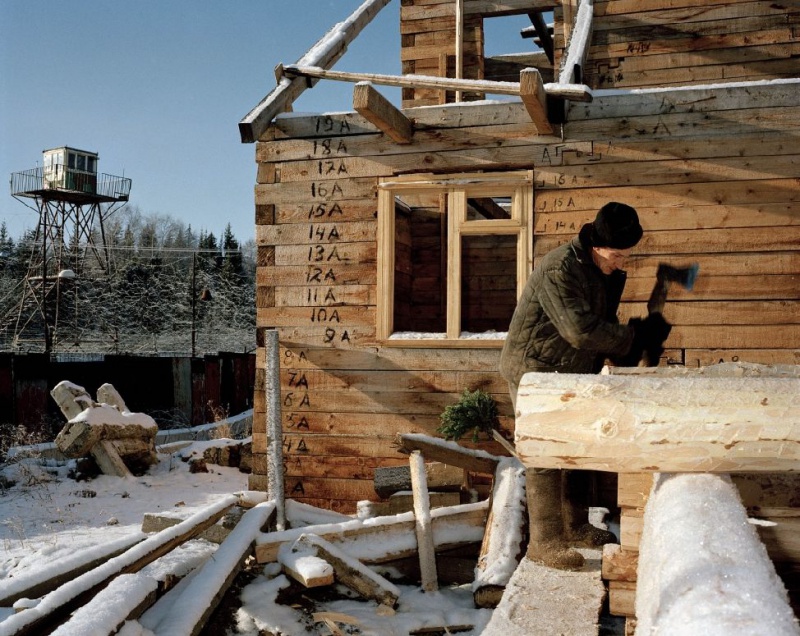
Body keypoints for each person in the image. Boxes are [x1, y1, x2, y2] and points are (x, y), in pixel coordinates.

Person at [499, 201, 670, 570]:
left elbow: (599, 325)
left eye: (625, 256)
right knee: (543, 453)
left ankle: (575, 527)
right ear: (596, 245)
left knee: (576, 446)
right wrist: (632, 338)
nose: (621, 262)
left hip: (571, 368)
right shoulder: (561, 267)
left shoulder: (600, 271)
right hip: (535, 368)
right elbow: (578, 330)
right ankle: (544, 544)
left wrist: (634, 337)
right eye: (616, 255)